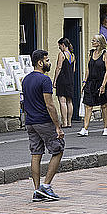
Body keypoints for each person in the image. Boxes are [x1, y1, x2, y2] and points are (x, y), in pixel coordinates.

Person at [22, 49, 65, 202]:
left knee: (36, 155)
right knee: (58, 149)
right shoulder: (45, 80)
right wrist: (58, 126)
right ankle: (46, 186)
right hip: (44, 122)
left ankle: (36, 190)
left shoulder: (25, 79)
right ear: (40, 62)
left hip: (30, 122)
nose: (49, 63)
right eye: (46, 60)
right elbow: (50, 105)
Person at [78, 34, 107, 137]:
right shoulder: (91, 53)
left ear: (99, 42)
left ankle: (106, 127)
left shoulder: (105, 53)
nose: (92, 42)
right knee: (88, 105)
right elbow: (88, 68)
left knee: (103, 105)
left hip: (101, 82)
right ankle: (85, 128)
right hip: (91, 82)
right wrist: (84, 81)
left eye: (94, 41)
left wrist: (103, 85)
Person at [53, 38, 75, 128]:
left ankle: (64, 122)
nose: (59, 48)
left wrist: (55, 80)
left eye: (59, 46)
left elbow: (59, 67)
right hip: (70, 80)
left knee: (62, 101)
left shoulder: (61, 54)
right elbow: (73, 70)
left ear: (63, 45)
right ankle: (69, 122)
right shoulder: (72, 55)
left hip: (62, 79)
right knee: (69, 101)